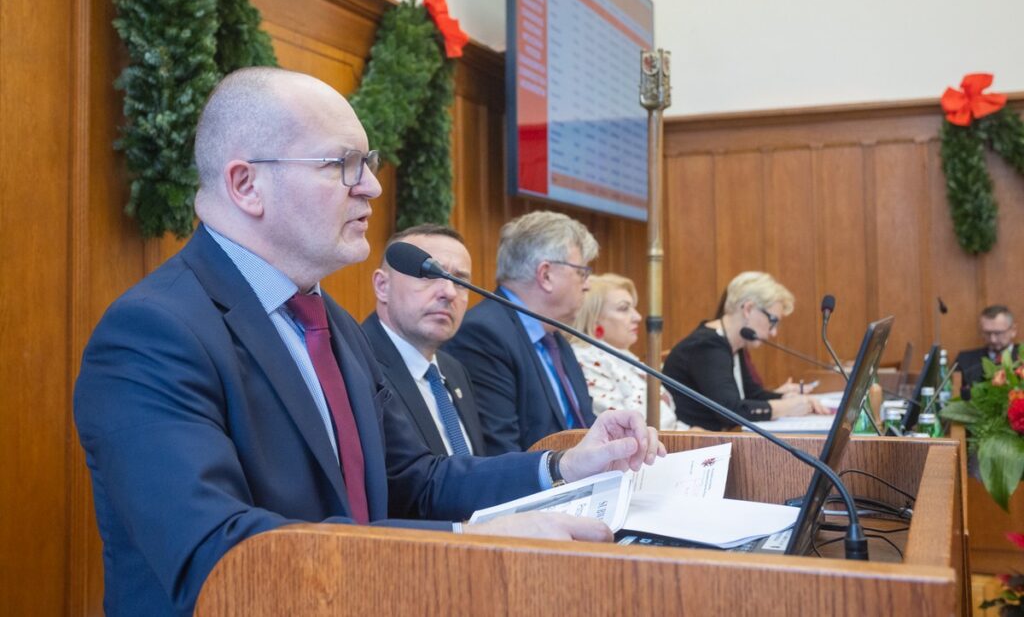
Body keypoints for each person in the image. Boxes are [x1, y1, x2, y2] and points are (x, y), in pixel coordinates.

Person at [72, 68, 663, 616]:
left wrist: (563, 466)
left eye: (369, 162)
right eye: (343, 164)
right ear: (247, 184)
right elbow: (219, 554)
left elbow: (417, 483)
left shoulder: (329, 320)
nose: (373, 188)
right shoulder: (153, 333)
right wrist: (470, 543)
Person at [445, 211, 598, 454]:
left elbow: (586, 425)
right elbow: (502, 451)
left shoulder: (556, 340)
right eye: (581, 272)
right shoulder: (483, 335)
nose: (587, 284)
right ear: (545, 275)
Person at [363, 224, 487, 464]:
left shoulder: (453, 370)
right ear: (382, 287)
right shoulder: (358, 362)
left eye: (460, 280)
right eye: (430, 275)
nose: (449, 292)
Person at [662, 271, 827, 430]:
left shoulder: (734, 343)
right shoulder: (706, 346)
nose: (774, 332)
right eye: (773, 321)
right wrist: (784, 407)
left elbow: (752, 395)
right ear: (748, 309)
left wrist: (789, 399)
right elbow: (730, 411)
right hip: (693, 445)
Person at [572, 274, 689, 430]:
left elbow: (667, 417)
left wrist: (692, 432)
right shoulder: (583, 358)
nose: (638, 317)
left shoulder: (626, 355)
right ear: (593, 317)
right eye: (624, 308)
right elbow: (622, 424)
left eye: (633, 308)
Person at [956, 305, 1020, 392]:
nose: (993, 339)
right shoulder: (965, 361)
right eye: (987, 333)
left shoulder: (1021, 357)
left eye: (998, 333)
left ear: (1013, 330)